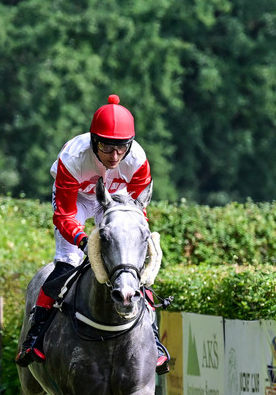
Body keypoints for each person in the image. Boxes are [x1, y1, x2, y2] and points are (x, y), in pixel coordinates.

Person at [15, 94, 170, 373]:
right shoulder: (73, 158)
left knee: (130, 267)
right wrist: (84, 241)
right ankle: (34, 336)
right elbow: (63, 215)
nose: (114, 156)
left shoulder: (138, 160)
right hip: (76, 200)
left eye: (121, 148)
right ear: (93, 140)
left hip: (115, 201)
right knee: (67, 262)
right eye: (106, 147)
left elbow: (137, 213)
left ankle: (154, 341)